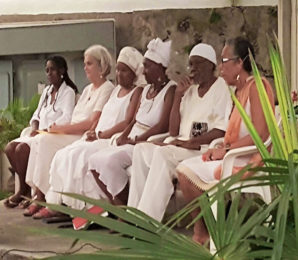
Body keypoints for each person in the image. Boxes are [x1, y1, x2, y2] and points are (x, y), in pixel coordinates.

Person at [177, 37, 275, 244]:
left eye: (224, 61)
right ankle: (204, 230)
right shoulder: (239, 91)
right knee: (184, 170)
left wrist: (227, 150)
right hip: (234, 154)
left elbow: (261, 135)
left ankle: (203, 232)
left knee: (186, 171)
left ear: (239, 63)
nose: (220, 67)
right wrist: (222, 147)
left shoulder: (257, 86)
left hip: (248, 159)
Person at [32, 46, 145, 218]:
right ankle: (61, 203)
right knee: (63, 155)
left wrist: (101, 134)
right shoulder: (115, 91)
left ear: (134, 73)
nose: (119, 74)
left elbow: (127, 122)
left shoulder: (136, 91)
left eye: (124, 71)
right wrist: (93, 131)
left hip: (109, 138)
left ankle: (92, 209)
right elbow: (100, 118)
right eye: (118, 70)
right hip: (96, 135)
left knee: (79, 156)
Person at [127, 43, 232, 222]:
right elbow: (174, 130)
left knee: (163, 153)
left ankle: (148, 221)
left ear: (211, 65)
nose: (193, 69)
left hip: (202, 148)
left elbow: (220, 130)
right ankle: (133, 216)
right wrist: (178, 95)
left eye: (198, 64)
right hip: (179, 145)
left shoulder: (220, 87)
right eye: (191, 64)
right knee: (141, 149)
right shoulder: (189, 90)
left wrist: (186, 143)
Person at [23, 45, 114, 217]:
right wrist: (58, 130)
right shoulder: (88, 89)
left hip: (80, 135)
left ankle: (47, 199)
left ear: (101, 66)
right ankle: (39, 194)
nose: (85, 67)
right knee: (37, 140)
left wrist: (61, 129)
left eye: (89, 64)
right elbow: (74, 118)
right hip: (71, 133)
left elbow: (92, 121)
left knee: (44, 141)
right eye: (85, 63)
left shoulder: (107, 88)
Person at [86, 37, 176, 208]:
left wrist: (135, 140)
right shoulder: (147, 89)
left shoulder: (170, 89)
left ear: (160, 68)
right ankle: (119, 206)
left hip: (147, 142)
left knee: (108, 161)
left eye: (148, 66)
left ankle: (128, 209)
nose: (144, 71)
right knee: (93, 161)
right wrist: (124, 135)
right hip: (132, 138)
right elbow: (134, 119)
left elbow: (162, 126)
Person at [4, 56, 77, 208]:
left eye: (52, 70)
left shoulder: (68, 92)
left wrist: (45, 130)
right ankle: (24, 189)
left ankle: (27, 192)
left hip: (52, 134)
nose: (49, 73)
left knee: (21, 149)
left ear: (62, 71)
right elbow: (37, 114)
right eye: (47, 70)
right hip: (38, 133)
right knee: (10, 148)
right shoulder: (46, 91)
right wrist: (35, 127)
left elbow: (67, 117)